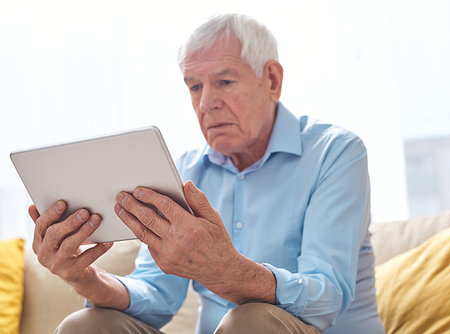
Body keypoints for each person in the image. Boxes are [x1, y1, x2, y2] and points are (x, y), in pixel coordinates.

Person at [29, 14, 385, 334]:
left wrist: (227, 271)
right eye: (194, 86)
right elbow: (157, 295)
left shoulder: (336, 152)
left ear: (272, 80)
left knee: (251, 321)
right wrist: (86, 280)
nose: (205, 103)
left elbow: (328, 297)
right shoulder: (186, 169)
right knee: (87, 326)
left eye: (225, 82)